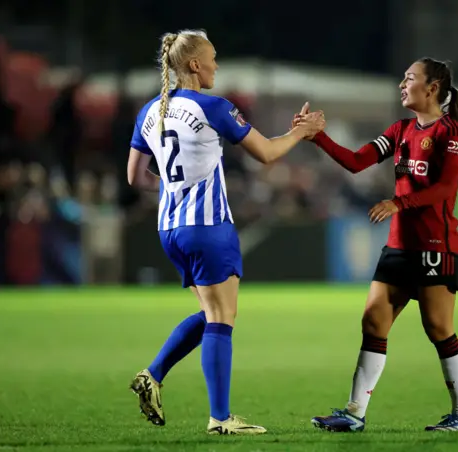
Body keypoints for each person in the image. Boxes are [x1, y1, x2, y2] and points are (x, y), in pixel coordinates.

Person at [126, 29, 324, 435]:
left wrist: (172, 186)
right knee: (222, 318)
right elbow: (267, 153)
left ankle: (154, 374)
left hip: (171, 229)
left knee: (212, 313)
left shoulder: (149, 111)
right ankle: (219, 418)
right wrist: (303, 132)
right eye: (213, 57)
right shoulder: (213, 107)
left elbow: (134, 176)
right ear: (195, 64)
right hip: (208, 225)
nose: (217, 65)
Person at [294, 58, 458, 432]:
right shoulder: (400, 130)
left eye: (409, 79)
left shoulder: (450, 134)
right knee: (373, 321)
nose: (401, 85)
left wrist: (399, 202)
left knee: (438, 328)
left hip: (435, 247)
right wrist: (318, 138)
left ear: (432, 88)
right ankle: (354, 414)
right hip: (398, 247)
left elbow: (445, 189)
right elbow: (358, 161)